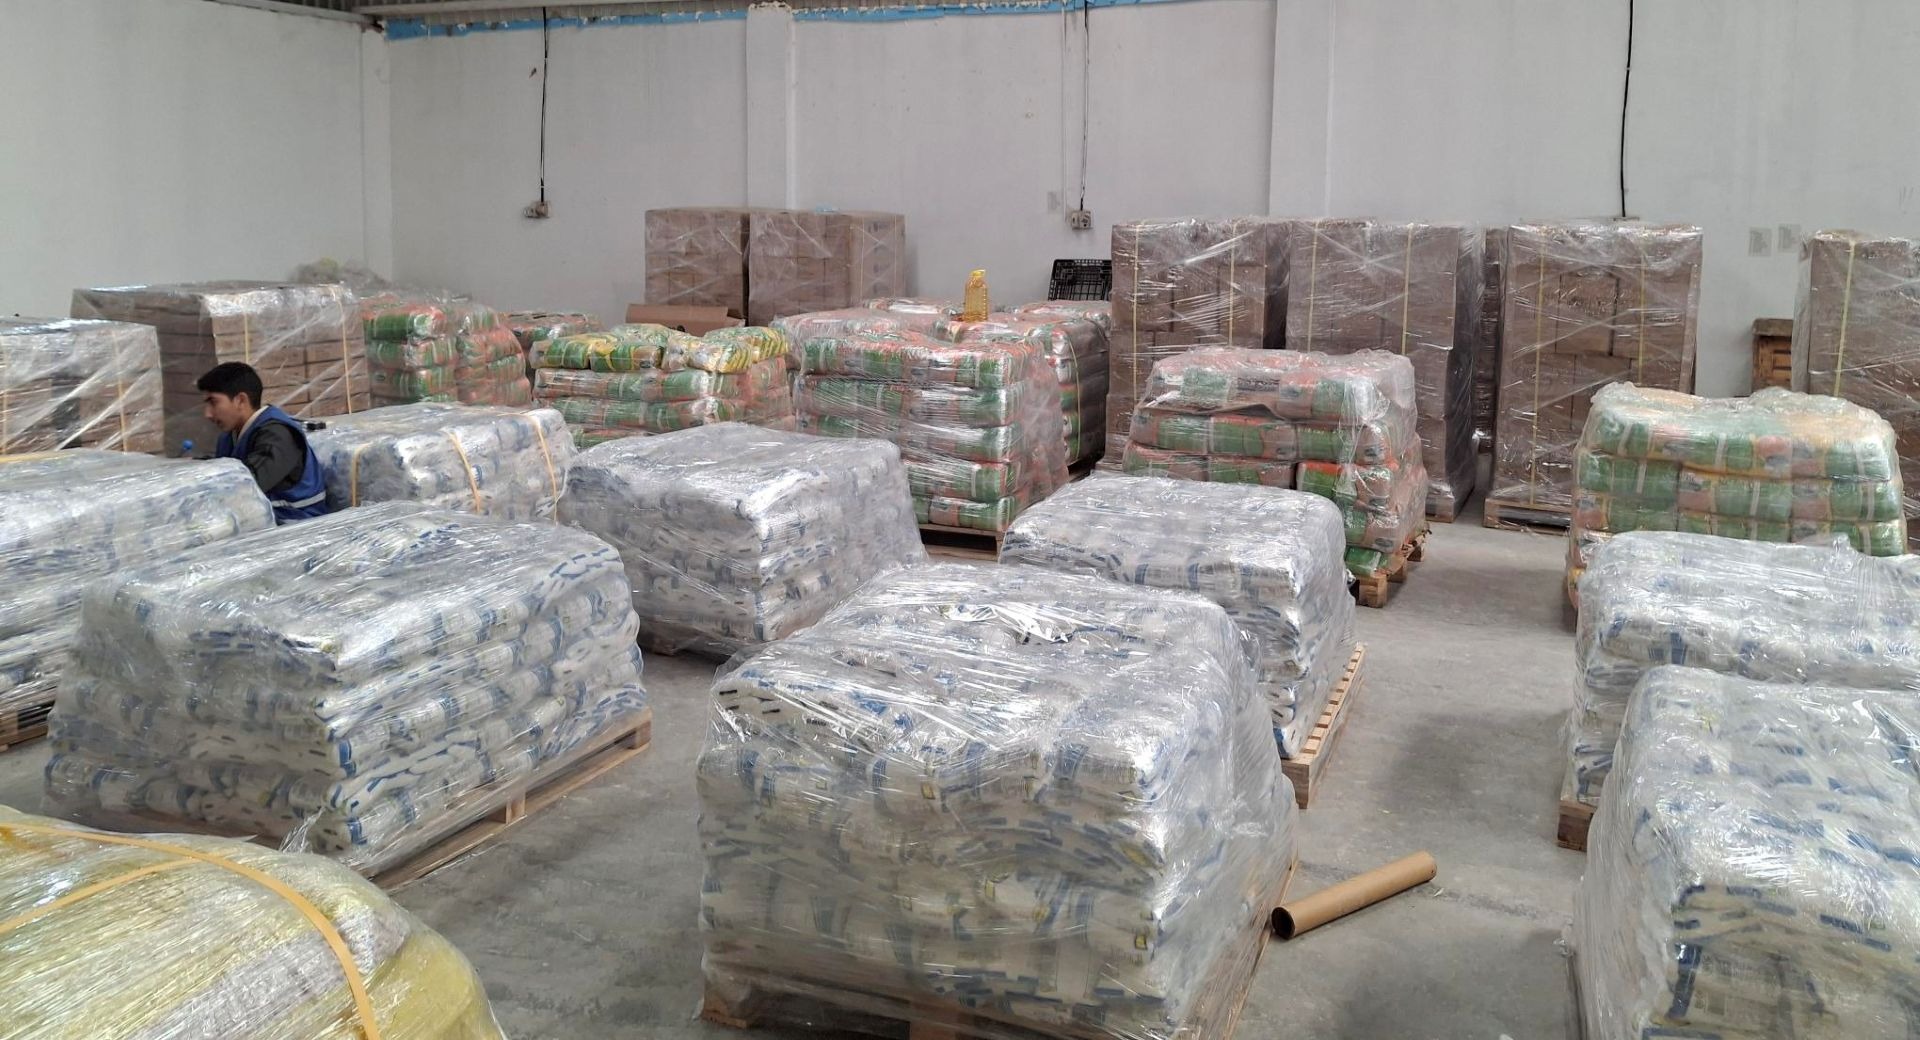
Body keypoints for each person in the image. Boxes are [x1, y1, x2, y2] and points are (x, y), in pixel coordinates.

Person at [197, 362, 332, 523]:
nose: (208, 414)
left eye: (213, 402)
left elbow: (247, 485)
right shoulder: (228, 438)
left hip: (296, 527)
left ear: (240, 400)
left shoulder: (278, 435)